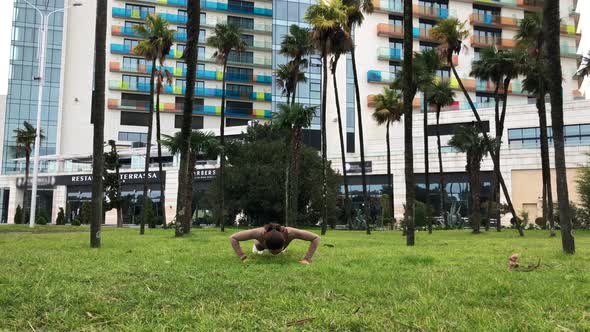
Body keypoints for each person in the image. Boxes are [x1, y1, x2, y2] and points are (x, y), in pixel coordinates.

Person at [229, 223, 320, 264]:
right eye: (272, 251)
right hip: (261, 242)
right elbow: (233, 238)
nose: (274, 254)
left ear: (284, 240)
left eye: (276, 251)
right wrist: (243, 257)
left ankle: (282, 249)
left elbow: (316, 238)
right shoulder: (258, 233)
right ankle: (258, 244)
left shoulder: (291, 233)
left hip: (282, 243)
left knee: (281, 251)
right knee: (259, 247)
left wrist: (307, 259)